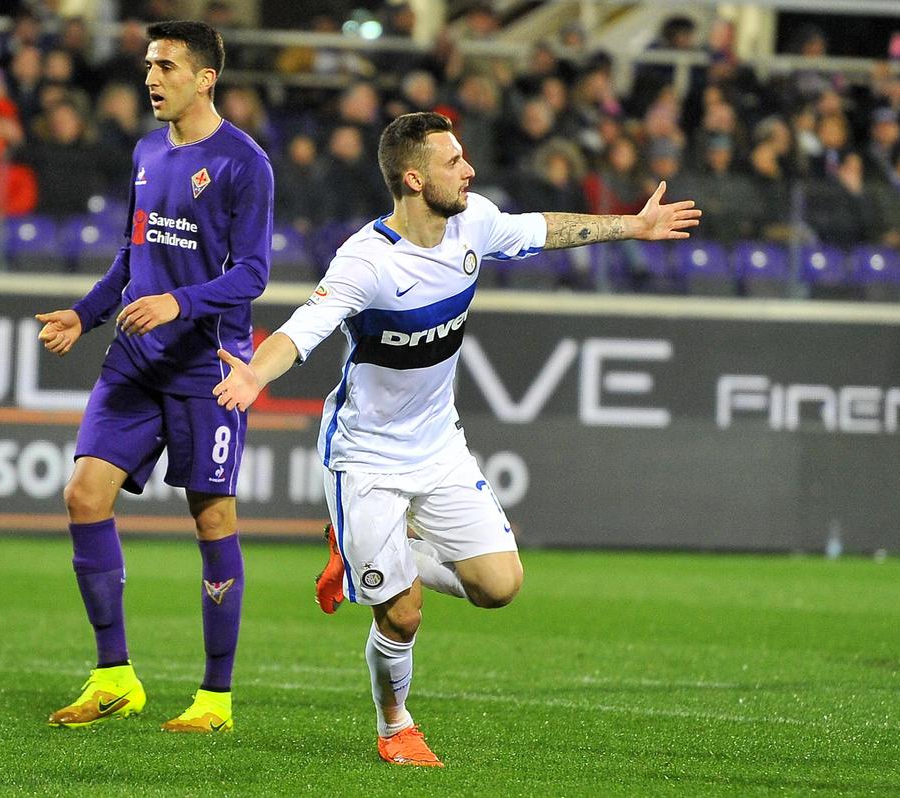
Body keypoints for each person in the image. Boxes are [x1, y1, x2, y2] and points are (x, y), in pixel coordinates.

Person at [212, 111, 698, 766]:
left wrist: (631, 226)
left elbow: (544, 229)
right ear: (414, 179)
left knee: (500, 585)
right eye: (453, 162)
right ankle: (395, 727)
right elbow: (304, 327)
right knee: (402, 614)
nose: (469, 170)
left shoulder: (474, 223)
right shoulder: (367, 261)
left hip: (439, 444)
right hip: (366, 457)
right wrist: (255, 374)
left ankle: (362, 553)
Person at [35, 20, 274, 732]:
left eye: (166, 66)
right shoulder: (146, 149)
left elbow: (254, 273)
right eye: (148, 65)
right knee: (84, 495)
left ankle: (215, 698)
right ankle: (115, 677)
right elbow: (129, 252)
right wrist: (85, 314)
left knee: (212, 518)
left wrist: (179, 302)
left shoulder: (244, 163)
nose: (151, 78)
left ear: (205, 78)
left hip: (208, 367)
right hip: (135, 361)